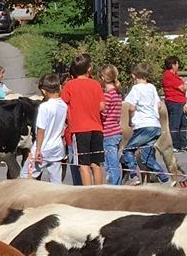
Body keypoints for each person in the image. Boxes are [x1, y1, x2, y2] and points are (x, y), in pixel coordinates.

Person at [60, 56, 105, 186]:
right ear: (89, 69)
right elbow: (102, 106)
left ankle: (88, 193)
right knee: (96, 164)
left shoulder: (69, 85)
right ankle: (100, 191)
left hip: (79, 129)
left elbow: (62, 105)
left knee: (83, 164)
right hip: (96, 127)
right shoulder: (96, 84)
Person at [120, 64, 166, 183]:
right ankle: (163, 176)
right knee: (146, 158)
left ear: (133, 76)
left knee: (128, 150)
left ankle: (134, 176)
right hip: (155, 125)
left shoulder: (136, 89)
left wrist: (130, 119)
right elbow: (159, 104)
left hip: (143, 126)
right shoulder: (151, 87)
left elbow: (131, 107)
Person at [26, 76, 68, 183]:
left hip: (42, 148)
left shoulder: (44, 107)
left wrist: (38, 150)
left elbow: (41, 129)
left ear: (44, 91)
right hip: (57, 148)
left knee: (26, 178)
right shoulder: (63, 105)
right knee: (56, 181)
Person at [98, 65, 125, 186]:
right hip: (116, 131)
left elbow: (103, 113)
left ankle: (115, 186)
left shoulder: (107, 95)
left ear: (103, 78)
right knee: (114, 162)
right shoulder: (117, 94)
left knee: (111, 164)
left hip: (108, 133)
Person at [160, 56, 187, 152]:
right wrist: (184, 83)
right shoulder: (168, 75)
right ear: (173, 65)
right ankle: (175, 145)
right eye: (177, 64)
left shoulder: (175, 75)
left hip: (180, 101)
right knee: (175, 124)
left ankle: (183, 144)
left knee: (183, 123)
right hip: (174, 102)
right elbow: (183, 88)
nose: (178, 66)